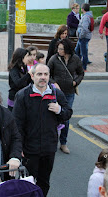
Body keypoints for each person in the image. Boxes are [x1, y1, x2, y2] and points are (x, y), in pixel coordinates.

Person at [12, 63, 73, 196]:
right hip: (29, 149)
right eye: (39, 74)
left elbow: (68, 113)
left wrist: (60, 110)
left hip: (49, 148)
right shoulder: (22, 96)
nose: (43, 77)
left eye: (46, 74)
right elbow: (17, 125)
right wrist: (19, 147)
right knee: (28, 183)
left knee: (44, 182)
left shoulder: (57, 94)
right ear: (32, 76)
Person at [48, 38, 84, 154]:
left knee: (65, 118)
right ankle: (52, 142)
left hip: (69, 92)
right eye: (58, 48)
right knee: (53, 117)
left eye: (61, 49)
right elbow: (47, 74)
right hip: (55, 93)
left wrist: (75, 82)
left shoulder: (76, 59)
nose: (59, 50)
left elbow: (81, 73)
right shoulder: (54, 59)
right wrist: (54, 83)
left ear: (67, 49)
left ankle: (63, 143)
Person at [75, 3, 93, 71]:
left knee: (83, 53)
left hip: (83, 37)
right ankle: (78, 66)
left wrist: (80, 35)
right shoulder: (89, 16)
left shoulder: (85, 17)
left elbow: (84, 28)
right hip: (85, 37)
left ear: (83, 9)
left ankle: (84, 67)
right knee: (77, 52)